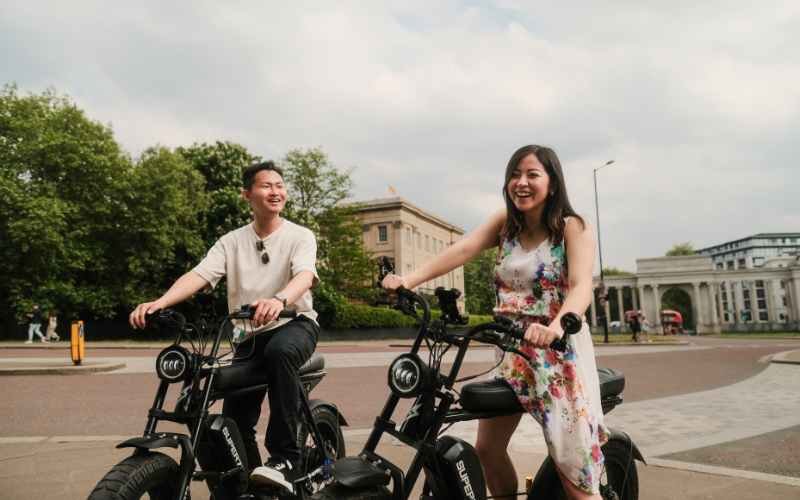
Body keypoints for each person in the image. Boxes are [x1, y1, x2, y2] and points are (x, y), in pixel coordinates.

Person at [382, 145, 608, 500]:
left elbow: (582, 286)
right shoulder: (504, 224)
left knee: (574, 474)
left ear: (552, 183)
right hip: (511, 352)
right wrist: (408, 280)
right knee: (487, 449)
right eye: (515, 175)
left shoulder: (571, 227)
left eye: (532, 174)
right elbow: (461, 250)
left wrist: (557, 326)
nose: (522, 182)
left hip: (556, 355)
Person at [130, 161, 319, 495]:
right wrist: (160, 302)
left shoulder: (300, 235)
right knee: (229, 414)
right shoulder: (231, 241)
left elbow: (304, 275)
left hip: (294, 325)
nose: (275, 191)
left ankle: (285, 458)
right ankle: (246, 484)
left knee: (279, 352)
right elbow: (199, 275)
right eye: (266, 186)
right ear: (247, 194)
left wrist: (279, 299)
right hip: (247, 336)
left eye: (279, 185)